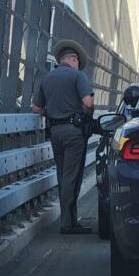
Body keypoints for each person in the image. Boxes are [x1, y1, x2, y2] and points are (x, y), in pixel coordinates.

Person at [32, 40, 94, 234]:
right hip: (74, 133)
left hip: (55, 133)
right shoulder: (78, 76)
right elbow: (88, 103)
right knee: (71, 177)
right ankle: (68, 223)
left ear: (61, 60)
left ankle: (68, 220)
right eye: (78, 62)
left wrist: (52, 112)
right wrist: (83, 113)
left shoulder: (47, 78)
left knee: (62, 175)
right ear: (74, 59)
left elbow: (36, 109)